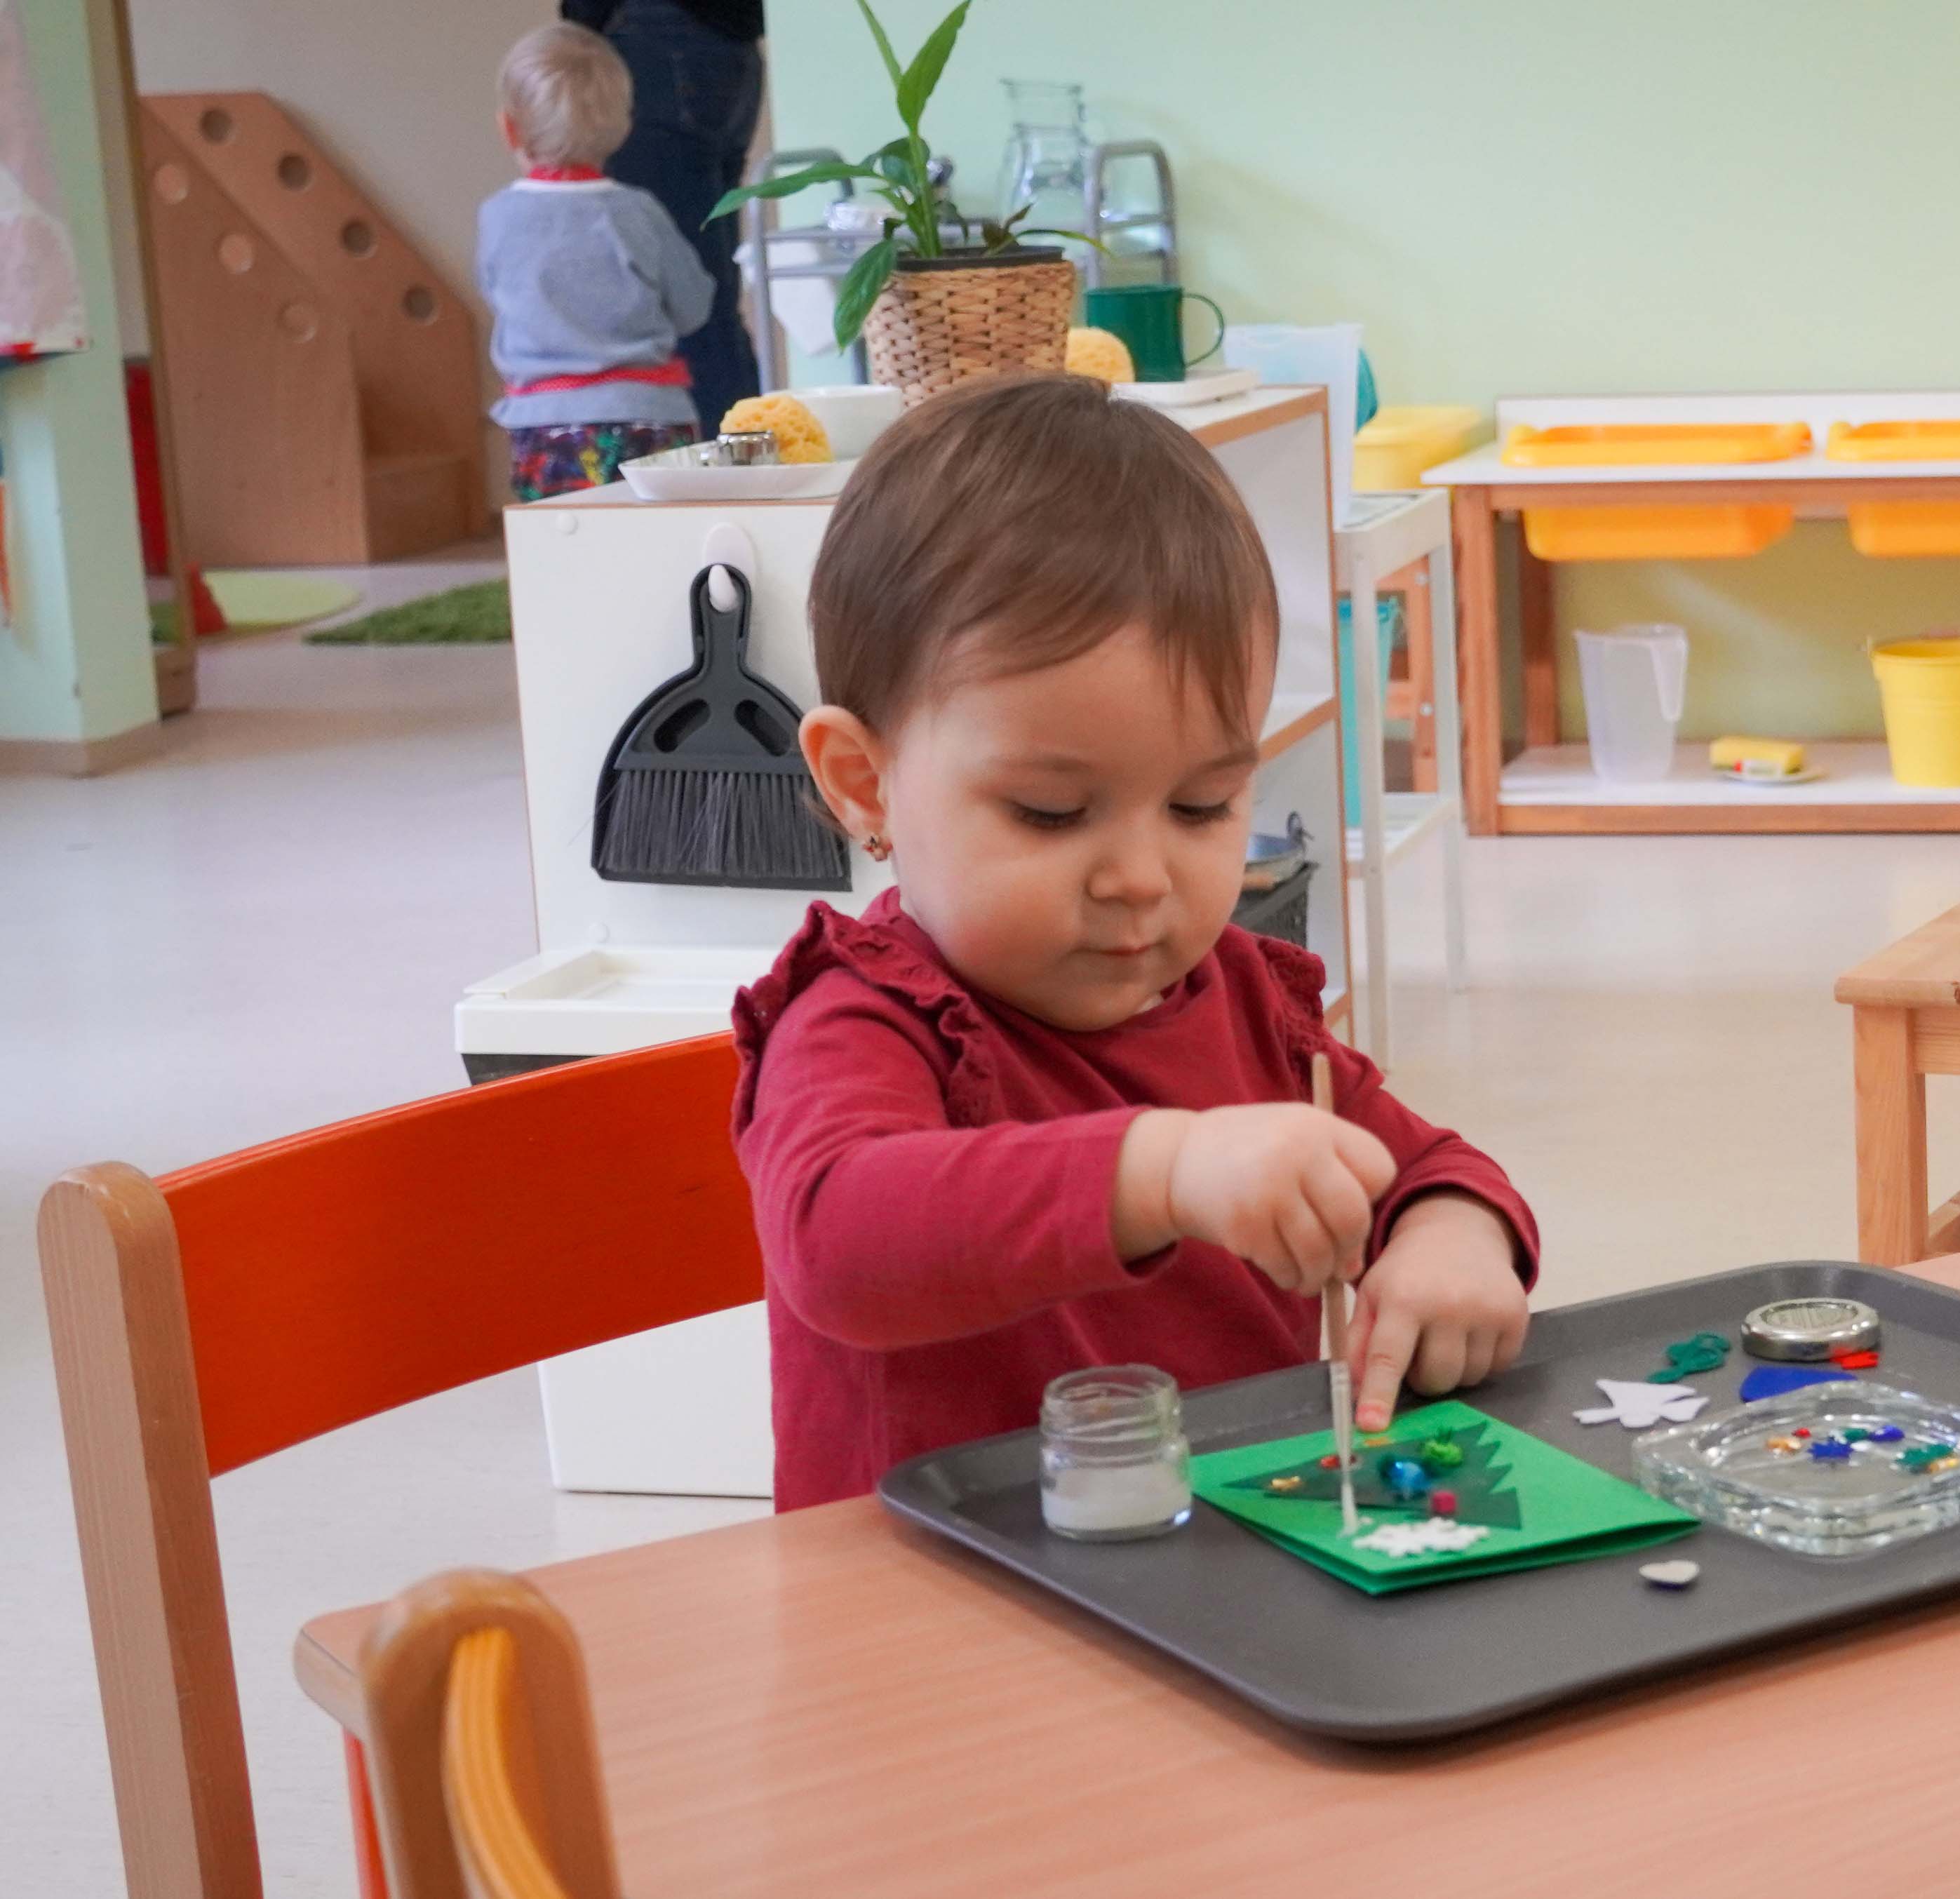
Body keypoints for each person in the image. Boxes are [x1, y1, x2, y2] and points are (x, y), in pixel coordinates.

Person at [733, 376, 1538, 1510]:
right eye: (1051, 814)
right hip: (940, 1619)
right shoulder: (862, 1018)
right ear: (865, 783)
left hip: (1225, 1575)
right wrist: (1164, 1168)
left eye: (1203, 806)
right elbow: (838, 1238)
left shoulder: (1244, 997)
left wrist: (1452, 1235)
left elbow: (1423, 1165)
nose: (1139, 879)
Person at [478, 22, 713, 501]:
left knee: (560, 552)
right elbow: (693, 307)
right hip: (651, 419)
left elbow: (497, 294)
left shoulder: (499, 217)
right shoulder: (637, 213)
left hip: (544, 426)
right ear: (624, 126)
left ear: (508, 128)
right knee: (656, 550)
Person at [563, 0, 764, 429]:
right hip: (730, 44)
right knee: (713, 303)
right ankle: (747, 466)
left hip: (658, 43)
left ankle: (716, 483)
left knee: (684, 313)